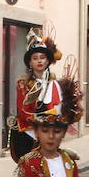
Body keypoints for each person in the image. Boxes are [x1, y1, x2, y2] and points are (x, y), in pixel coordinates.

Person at [13, 30, 61, 162]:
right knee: (28, 176)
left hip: (49, 136)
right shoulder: (23, 84)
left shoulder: (55, 84)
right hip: (27, 134)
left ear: (47, 61)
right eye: (35, 58)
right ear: (30, 63)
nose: (39, 61)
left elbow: (58, 108)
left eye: (42, 57)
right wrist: (43, 122)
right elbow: (23, 112)